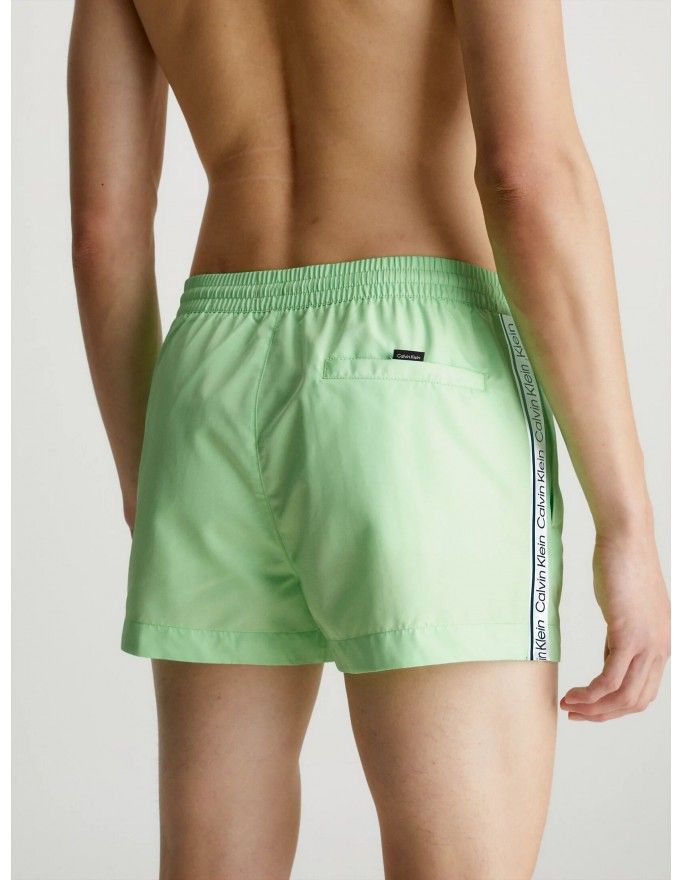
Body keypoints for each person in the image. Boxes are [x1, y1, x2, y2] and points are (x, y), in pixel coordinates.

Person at [67, 1, 670, 878]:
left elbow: (103, 236)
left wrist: (145, 470)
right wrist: (627, 523)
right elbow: (527, 175)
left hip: (207, 376)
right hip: (416, 369)